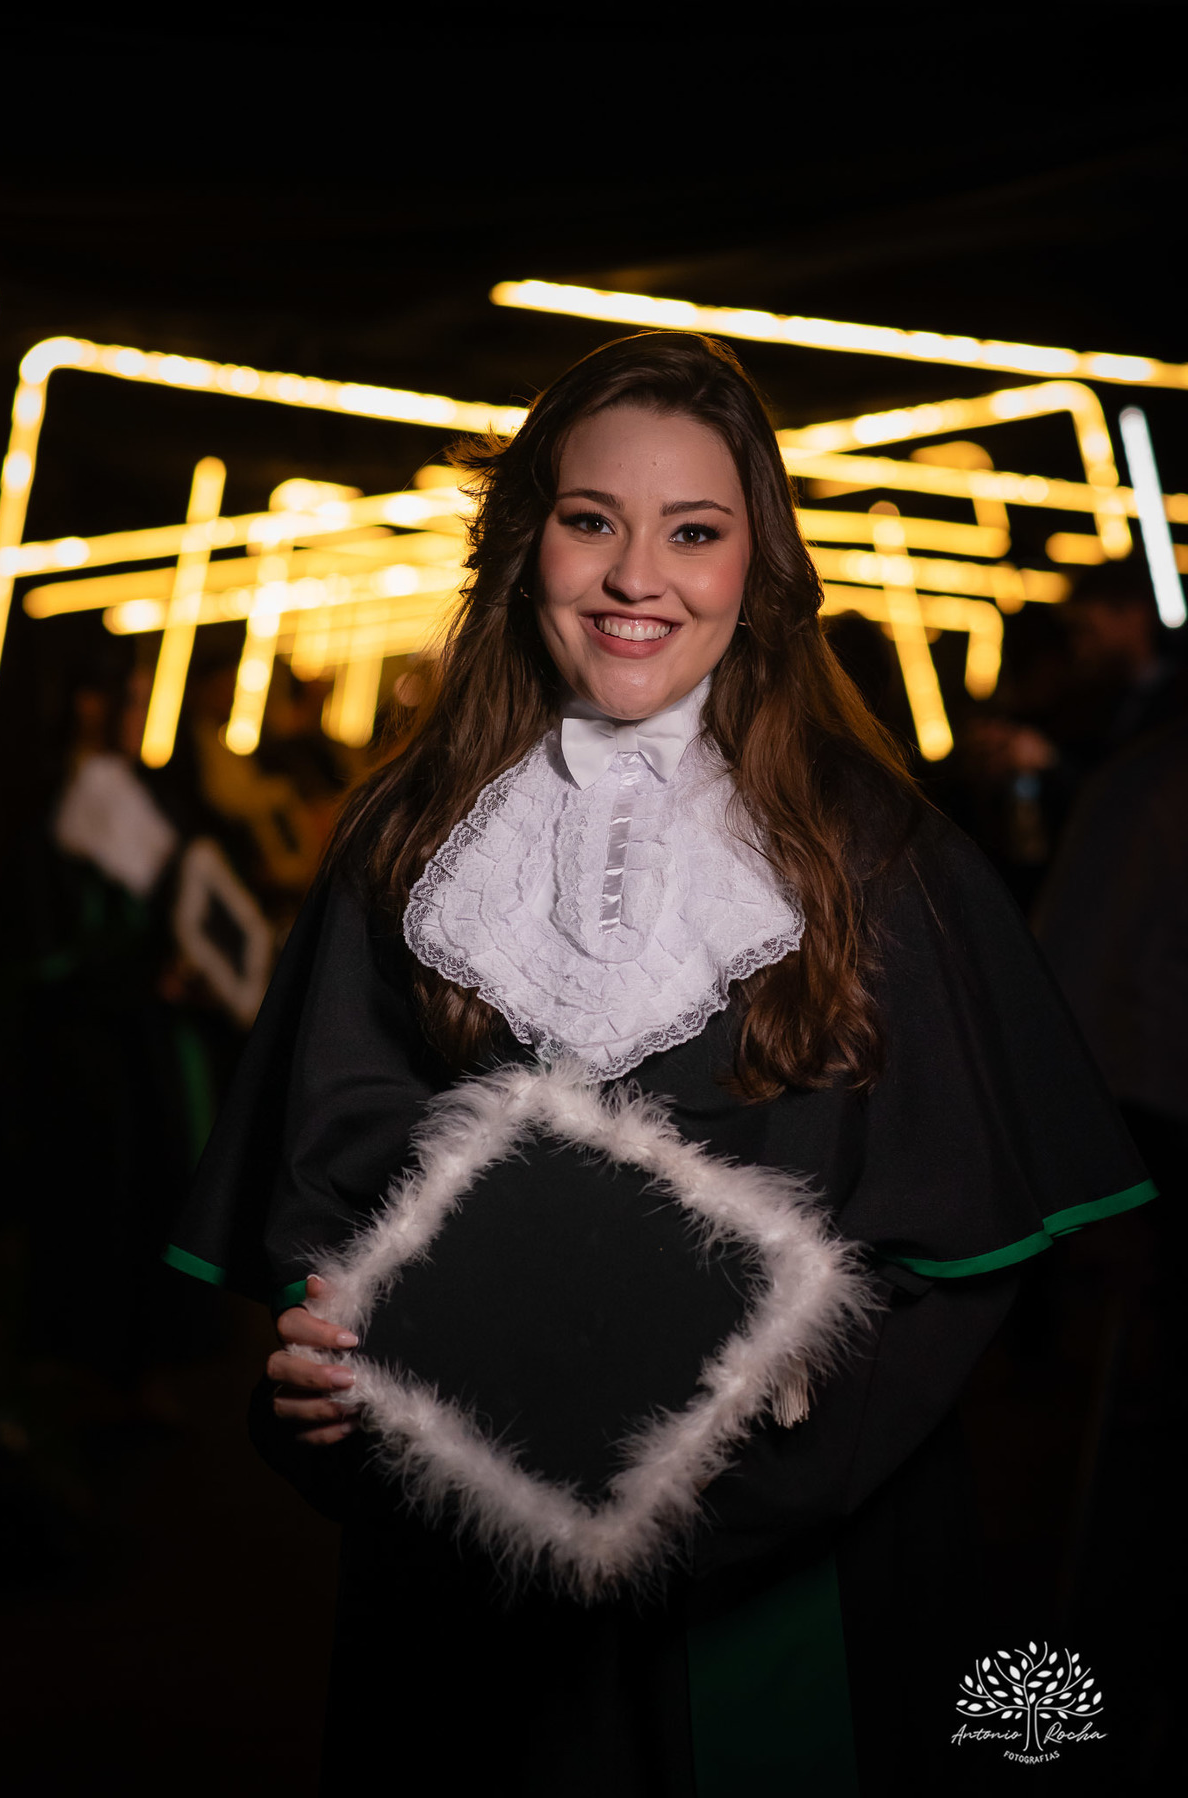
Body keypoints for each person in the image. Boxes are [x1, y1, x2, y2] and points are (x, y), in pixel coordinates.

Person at [164, 333, 1153, 1796]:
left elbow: (956, 1245)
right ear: (525, 545)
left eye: (695, 531)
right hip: (467, 1578)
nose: (641, 577)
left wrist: (738, 1450)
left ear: (758, 566)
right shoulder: (404, 844)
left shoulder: (876, 851)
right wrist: (331, 1357)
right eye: (591, 521)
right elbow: (333, 1186)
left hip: (793, 1579)